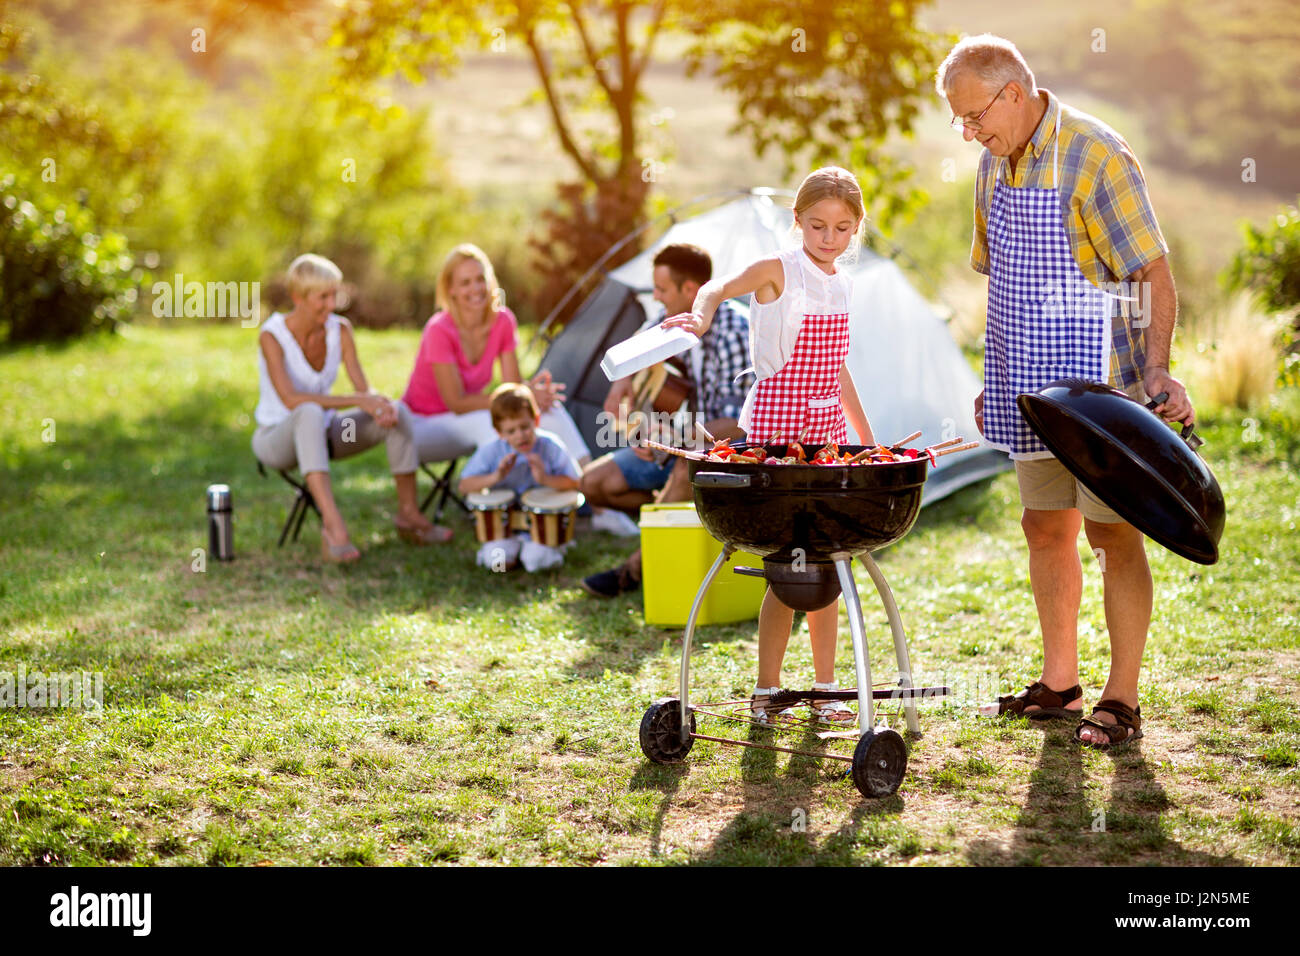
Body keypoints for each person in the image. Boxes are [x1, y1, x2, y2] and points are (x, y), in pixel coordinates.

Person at [936, 35, 1195, 747]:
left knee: (1112, 537)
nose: (969, 132)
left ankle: (1122, 698)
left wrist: (1157, 375)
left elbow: (1152, 274)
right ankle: (1060, 682)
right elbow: (1002, 284)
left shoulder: (1095, 153)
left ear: (1011, 93)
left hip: (1101, 393)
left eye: (973, 116)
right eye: (959, 122)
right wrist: (996, 379)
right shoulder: (994, 164)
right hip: (1029, 384)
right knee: (1044, 527)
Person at [662, 167, 877, 725]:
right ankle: (767, 691)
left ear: (856, 230)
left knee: (828, 564)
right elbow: (717, 286)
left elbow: (838, 369)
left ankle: (827, 686)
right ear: (797, 220)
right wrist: (701, 314)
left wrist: (867, 439)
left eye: (841, 228)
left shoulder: (843, 284)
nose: (828, 238)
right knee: (788, 566)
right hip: (776, 435)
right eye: (817, 225)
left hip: (824, 435)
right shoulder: (778, 270)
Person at [580, 243, 754, 597]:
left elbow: (741, 422)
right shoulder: (678, 318)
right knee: (593, 484)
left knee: (681, 470)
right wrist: (622, 382)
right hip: (687, 439)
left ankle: (634, 569)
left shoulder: (734, 330)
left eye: (661, 290)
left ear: (690, 290)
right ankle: (674, 512)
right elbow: (639, 339)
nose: (656, 297)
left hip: (730, 450)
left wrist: (673, 440)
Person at [252, 253, 451, 562]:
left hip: (330, 436)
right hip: (278, 441)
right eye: (322, 297)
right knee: (307, 412)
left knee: (397, 413)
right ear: (297, 297)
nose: (331, 305)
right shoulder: (272, 335)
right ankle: (334, 530)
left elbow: (362, 388)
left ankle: (409, 517)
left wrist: (378, 403)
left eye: (335, 295)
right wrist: (358, 401)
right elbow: (291, 400)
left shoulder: (340, 330)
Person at [400, 244, 591, 472]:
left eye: (480, 279)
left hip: (469, 414)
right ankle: (511, 500)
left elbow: (512, 386)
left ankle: (590, 485)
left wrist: (530, 396)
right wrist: (520, 396)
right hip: (422, 424)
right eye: (465, 282)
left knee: (548, 410)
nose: (476, 288)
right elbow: (457, 403)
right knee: (497, 427)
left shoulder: (502, 321)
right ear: (451, 290)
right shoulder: (438, 329)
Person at [458, 383, 582, 573]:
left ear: (536, 420)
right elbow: (464, 486)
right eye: (511, 431)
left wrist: (545, 478)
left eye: (525, 427)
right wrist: (495, 476)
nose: (520, 436)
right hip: (504, 528)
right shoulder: (492, 450)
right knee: (498, 565)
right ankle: (506, 551)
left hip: (542, 527)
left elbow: (576, 483)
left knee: (535, 563)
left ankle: (542, 551)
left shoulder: (550, 446)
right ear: (499, 432)